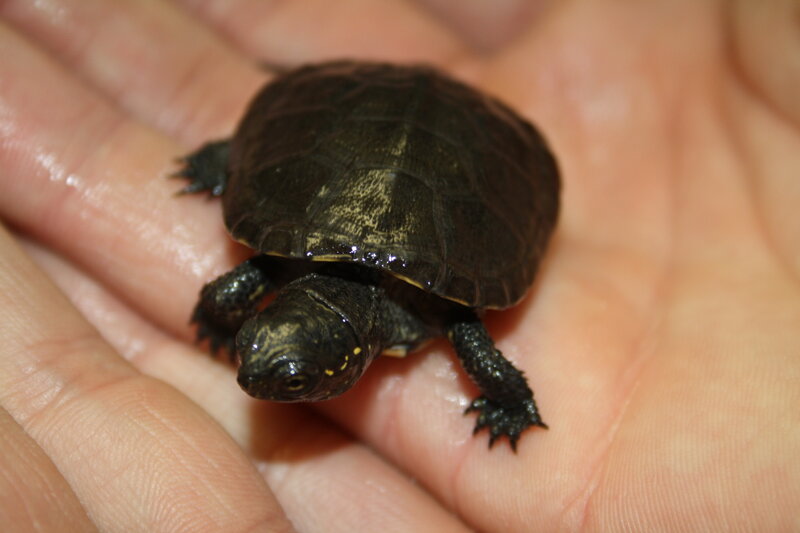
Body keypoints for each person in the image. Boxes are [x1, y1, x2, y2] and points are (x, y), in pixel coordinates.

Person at [0, 1, 797, 531]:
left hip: (468, 145)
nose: (260, 372)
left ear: (346, 359)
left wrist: (509, 404)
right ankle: (228, 156)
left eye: (281, 368)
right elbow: (231, 290)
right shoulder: (282, 286)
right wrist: (223, 288)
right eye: (269, 360)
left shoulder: (431, 309)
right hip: (353, 122)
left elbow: (488, 359)